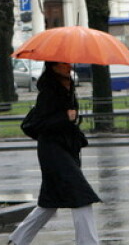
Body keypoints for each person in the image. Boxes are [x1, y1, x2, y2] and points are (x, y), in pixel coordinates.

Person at [8, 61, 101, 245]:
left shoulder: (68, 87)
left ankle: (17, 241)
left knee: (49, 204)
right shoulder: (48, 92)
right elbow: (40, 124)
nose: (68, 66)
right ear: (53, 67)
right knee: (81, 196)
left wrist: (72, 119)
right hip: (52, 152)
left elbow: (68, 120)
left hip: (65, 150)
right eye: (63, 63)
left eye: (68, 62)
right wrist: (64, 118)